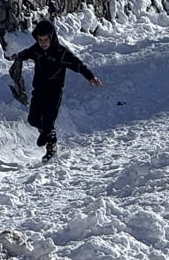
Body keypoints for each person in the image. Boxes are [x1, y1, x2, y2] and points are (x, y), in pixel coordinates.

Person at [9, 18, 102, 159]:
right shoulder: (36, 49)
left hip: (54, 91)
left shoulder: (61, 53)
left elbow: (78, 64)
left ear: (51, 37)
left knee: (48, 120)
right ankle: (45, 132)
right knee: (33, 119)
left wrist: (90, 76)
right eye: (40, 40)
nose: (43, 43)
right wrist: (19, 56)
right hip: (39, 90)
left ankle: (51, 147)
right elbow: (27, 52)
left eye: (46, 40)